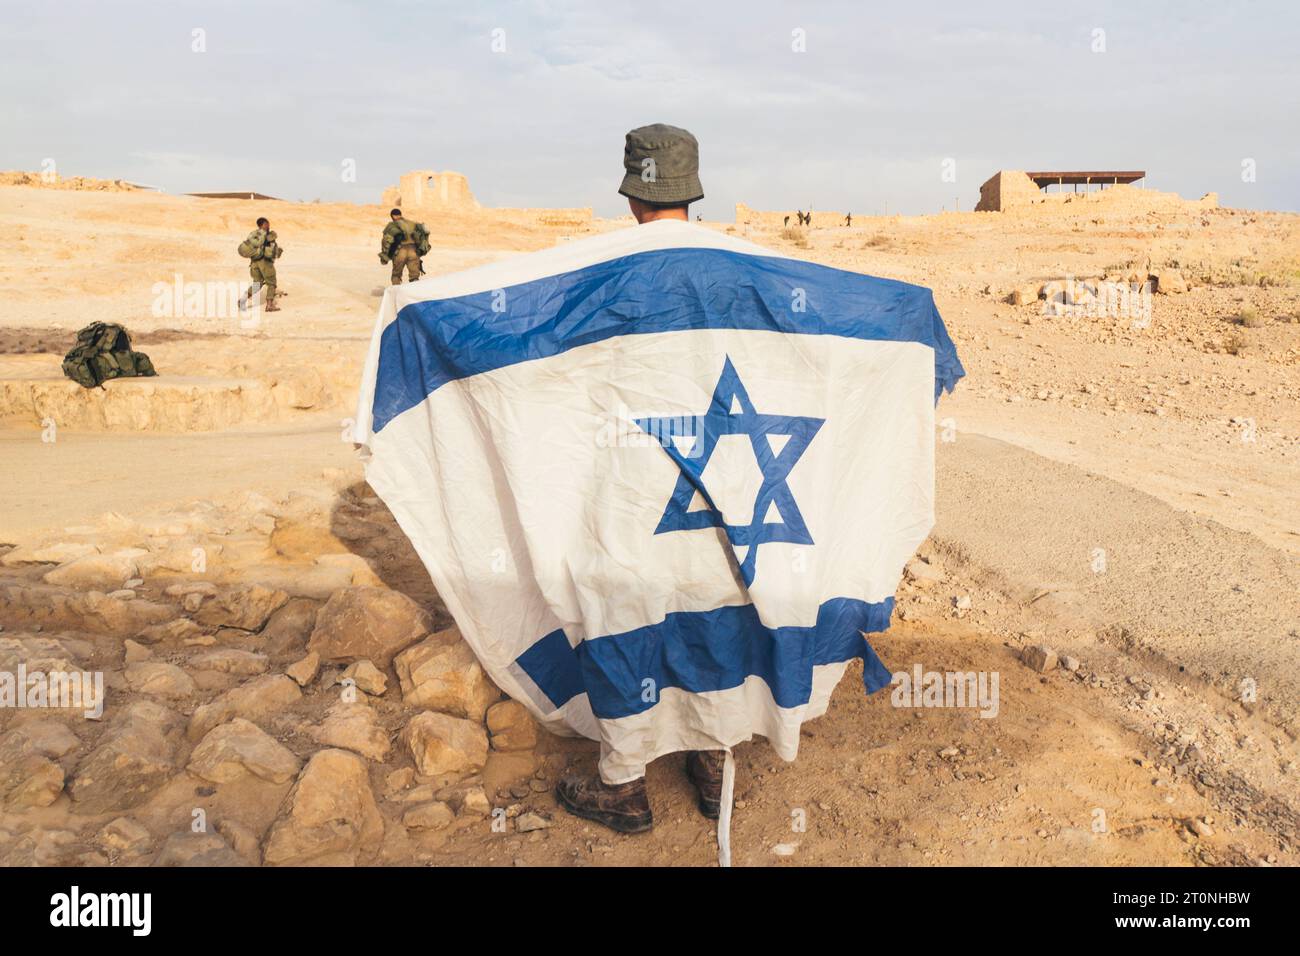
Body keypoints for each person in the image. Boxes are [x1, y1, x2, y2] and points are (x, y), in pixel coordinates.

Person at [554, 123, 726, 834]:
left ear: (632, 194)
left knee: (623, 613)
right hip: (721, 473)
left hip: (625, 478)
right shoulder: (738, 266)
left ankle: (623, 783)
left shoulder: (599, 269)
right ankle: (715, 762)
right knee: (713, 603)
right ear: (692, 189)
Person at [240, 217, 281, 312]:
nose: (269, 226)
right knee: (271, 283)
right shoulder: (267, 235)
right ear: (264, 224)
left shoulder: (253, 235)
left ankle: (242, 300)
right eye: (267, 224)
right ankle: (269, 305)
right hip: (265, 262)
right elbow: (271, 250)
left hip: (254, 262)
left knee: (257, 284)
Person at [380, 208, 422, 284]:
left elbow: (386, 241)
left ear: (392, 216)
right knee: (414, 277)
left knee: (396, 275)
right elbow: (420, 238)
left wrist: (384, 257)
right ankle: (414, 294)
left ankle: (397, 293)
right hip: (413, 251)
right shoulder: (411, 223)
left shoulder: (391, 225)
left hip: (400, 252)